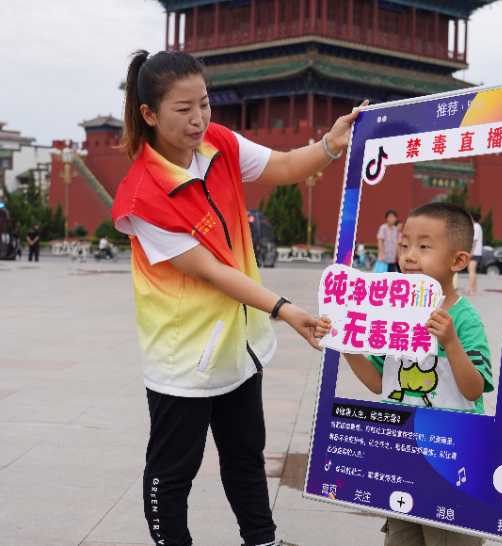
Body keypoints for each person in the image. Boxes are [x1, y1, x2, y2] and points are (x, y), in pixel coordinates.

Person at [111, 49, 363, 546]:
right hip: (185, 359)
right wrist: (286, 310)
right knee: (173, 472)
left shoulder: (219, 144)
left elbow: (285, 165)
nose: (198, 118)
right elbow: (212, 272)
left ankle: (262, 541)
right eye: (183, 109)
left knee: (246, 455)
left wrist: (330, 145)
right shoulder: (143, 195)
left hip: (238, 347)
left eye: (204, 103)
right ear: (150, 114)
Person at [317, 202, 493, 546]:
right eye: (404, 245)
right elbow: (378, 382)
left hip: (450, 459)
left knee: (449, 538)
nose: (409, 256)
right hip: (403, 454)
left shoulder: (464, 317)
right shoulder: (393, 315)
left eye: (424, 247)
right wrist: (345, 342)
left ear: (458, 260)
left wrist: (451, 341)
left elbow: (474, 390)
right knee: (401, 538)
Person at [466, 211, 482, 296]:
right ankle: (474, 288)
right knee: (473, 271)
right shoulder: (478, 226)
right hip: (477, 252)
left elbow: (474, 241)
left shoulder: (475, 227)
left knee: (471, 271)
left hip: (474, 252)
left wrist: (471, 252)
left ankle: (470, 289)